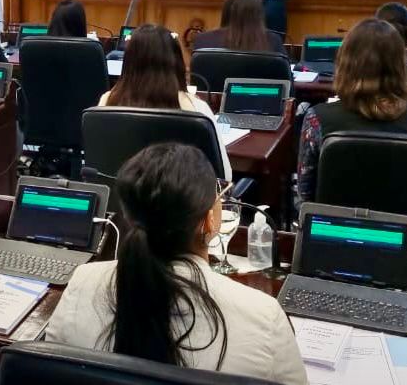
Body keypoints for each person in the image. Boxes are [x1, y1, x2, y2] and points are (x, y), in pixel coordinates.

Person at [46, 143, 307, 384]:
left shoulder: (82, 282)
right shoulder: (264, 315)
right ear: (209, 221)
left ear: (128, 214)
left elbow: (52, 371)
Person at [296, 19, 407, 208]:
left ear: (344, 63)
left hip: (337, 225)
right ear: (401, 64)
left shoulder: (316, 119)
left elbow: (305, 198)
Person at [98, 24, 230, 179]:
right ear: (176, 62)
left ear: (127, 62)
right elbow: (225, 175)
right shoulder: (197, 109)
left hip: (120, 193)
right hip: (180, 194)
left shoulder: (107, 101)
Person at [192, 0, 284, 54]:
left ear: (226, 10)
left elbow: (196, 74)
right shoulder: (273, 42)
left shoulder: (203, 41)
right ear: (259, 14)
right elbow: (285, 74)